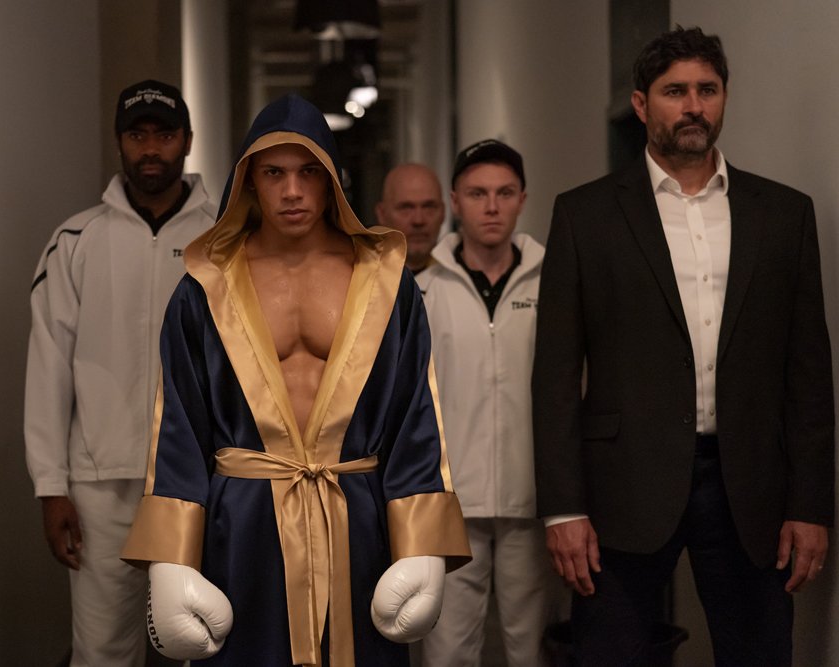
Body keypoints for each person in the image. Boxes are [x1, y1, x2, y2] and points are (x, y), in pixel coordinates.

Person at [120, 93, 471, 667]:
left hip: (355, 520)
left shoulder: (386, 283)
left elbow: (416, 417)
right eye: (274, 173)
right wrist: (172, 558)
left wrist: (421, 545)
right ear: (248, 180)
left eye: (309, 171)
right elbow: (179, 427)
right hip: (244, 527)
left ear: (332, 179)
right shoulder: (204, 288)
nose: (292, 190)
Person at [532, 26, 834, 666]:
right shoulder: (584, 216)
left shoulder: (784, 214)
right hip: (622, 486)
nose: (694, 106)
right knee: (611, 654)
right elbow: (554, 376)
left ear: (724, 96)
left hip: (751, 486)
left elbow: (808, 374)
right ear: (642, 104)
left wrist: (811, 505)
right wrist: (562, 510)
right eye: (675, 92)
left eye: (707, 89)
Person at [24, 79, 215, 666]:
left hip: (202, 477)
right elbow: (49, 363)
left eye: (164, 134)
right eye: (138, 135)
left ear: (187, 140)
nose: (150, 148)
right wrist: (51, 485)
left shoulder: (224, 238)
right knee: (103, 649)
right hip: (99, 484)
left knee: (205, 639)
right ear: (119, 142)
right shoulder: (75, 241)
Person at [418, 140, 562, 666]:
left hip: (532, 497)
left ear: (523, 199)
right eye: (478, 194)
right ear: (456, 202)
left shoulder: (555, 283)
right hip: (450, 500)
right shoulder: (422, 291)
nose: (492, 206)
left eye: (504, 193)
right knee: (448, 648)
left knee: (531, 647)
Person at [374, 163, 446, 273]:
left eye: (429, 207)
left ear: (443, 213)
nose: (418, 220)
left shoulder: (462, 278)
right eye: (406, 208)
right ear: (382, 214)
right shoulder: (358, 277)